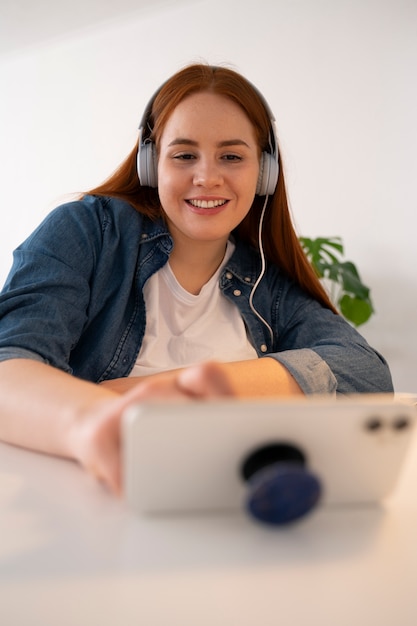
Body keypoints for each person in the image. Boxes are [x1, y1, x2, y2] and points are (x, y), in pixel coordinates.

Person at [0, 63, 393, 495]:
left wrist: (179, 392)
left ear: (264, 172)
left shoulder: (267, 279)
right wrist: (98, 418)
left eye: (231, 156)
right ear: (152, 165)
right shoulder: (86, 232)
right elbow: (10, 366)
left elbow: (365, 374)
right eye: (184, 155)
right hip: (91, 497)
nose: (207, 177)